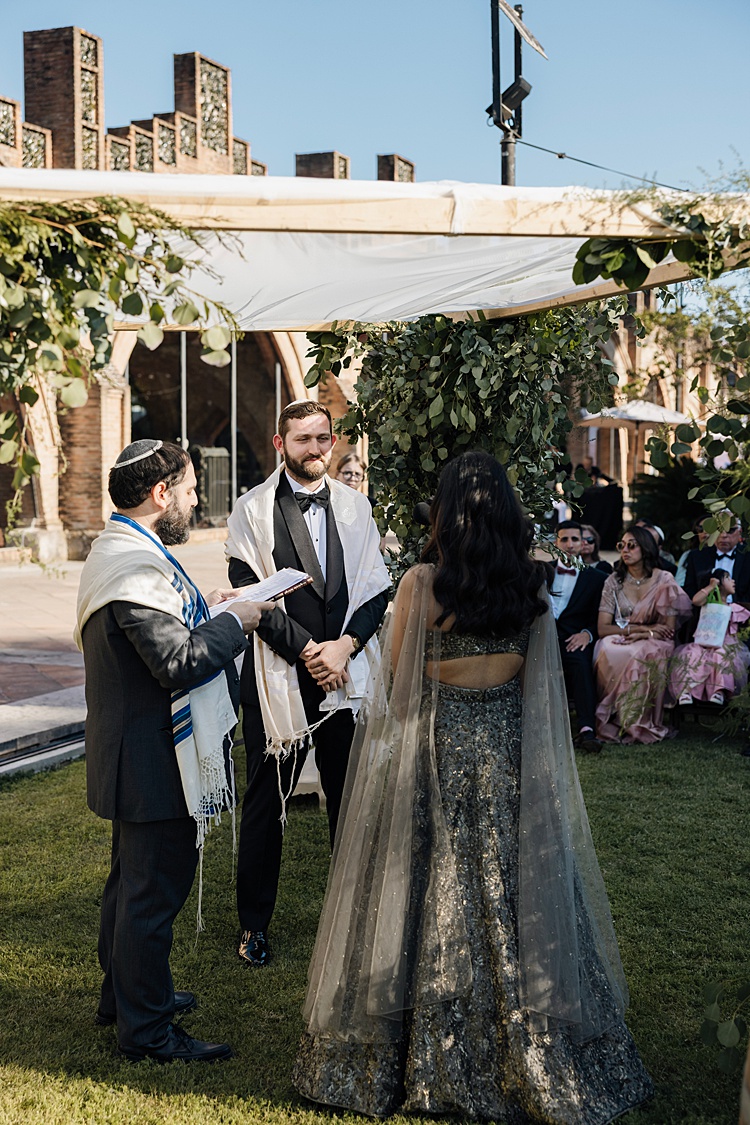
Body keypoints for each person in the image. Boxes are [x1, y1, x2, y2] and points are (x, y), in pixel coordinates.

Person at [293, 451, 653, 1123]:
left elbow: (400, 681)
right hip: (510, 754)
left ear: (446, 509)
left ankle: (424, 1052)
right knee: (519, 888)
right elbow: (540, 689)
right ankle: (534, 1047)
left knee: (433, 890)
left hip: (440, 751)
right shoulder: (531, 585)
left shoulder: (423, 583)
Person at [75, 440, 268, 1062]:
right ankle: (148, 1030)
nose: (192, 500)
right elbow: (177, 663)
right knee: (150, 897)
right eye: (187, 490)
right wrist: (241, 623)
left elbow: (166, 630)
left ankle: (123, 997)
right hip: (152, 755)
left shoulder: (123, 550)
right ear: (160, 495)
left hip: (135, 746)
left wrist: (210, 611)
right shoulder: (132, 567)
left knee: (130, 887)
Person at [225, 401, 390, 967]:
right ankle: (253, 926)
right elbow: (250, 593)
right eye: (303, 440)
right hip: (278, 679)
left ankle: (356, 920)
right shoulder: (249, 510)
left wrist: (344, 649)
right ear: (279, 444)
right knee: (264, 805)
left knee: (350, 802)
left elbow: (375, 588)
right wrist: (309, 652)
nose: (315, 449)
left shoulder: (355, 506)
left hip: (344, 674)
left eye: (323, 438)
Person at [594, 526, 692, 743]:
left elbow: (667, 628)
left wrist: (645, 635)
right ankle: (614, 717)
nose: (625, 550)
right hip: (626, 634)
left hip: (657, 641)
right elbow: (603, 628)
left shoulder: (664, 579)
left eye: (632, 545)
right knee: (608, 646)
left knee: (640, 653)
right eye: (622, 545)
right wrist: (638, 630)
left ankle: (635, 722)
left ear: (645, 548)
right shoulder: (613, 581)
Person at [547, 520, 606, 753]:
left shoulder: (598, 578)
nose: (570, 544)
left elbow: (602, 616)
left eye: (575, 539)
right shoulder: (541, 571)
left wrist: (587, 634)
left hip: (574, 641)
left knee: (581, 664)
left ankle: (586, 729)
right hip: (544, 639)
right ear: (555, 542)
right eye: (564, 539)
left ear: (583, 543)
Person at [670, 568, 750, 706]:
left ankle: (719, 691)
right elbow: (695, 600)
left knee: (722, 656)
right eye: (728, 578)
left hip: (726, 644)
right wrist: (711, 586)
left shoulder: (734, 608)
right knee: (692, 655)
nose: (733, 581)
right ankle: (686, 690)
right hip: (703, 643)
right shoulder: (707, 604)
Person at [683, 519, 750, 607]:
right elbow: (690, 588)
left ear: (740, 532)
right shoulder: (697, 556)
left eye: (730, 530)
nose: (723, 535)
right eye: (718, 530)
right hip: (705, 612)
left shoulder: (747, 555)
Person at [674, 516, 708, 587]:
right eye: (700, 529)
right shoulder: (688, 555)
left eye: (709, 529)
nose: (704, 532)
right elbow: (679, 583)